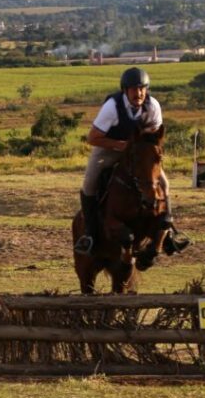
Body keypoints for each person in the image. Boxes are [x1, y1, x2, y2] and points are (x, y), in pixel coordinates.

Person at [74, 67, 190, 256]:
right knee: (89, 183)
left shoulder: (153, 106)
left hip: (139, 153)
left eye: (142, 88)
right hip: (109, 147)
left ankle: (168, 234)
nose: (139, 93)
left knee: (165, 184)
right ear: (125, 90)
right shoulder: (112, 107)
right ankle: (89, 233)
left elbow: (155, 136)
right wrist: (122, 145)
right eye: (134, 89)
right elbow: (93, 138)